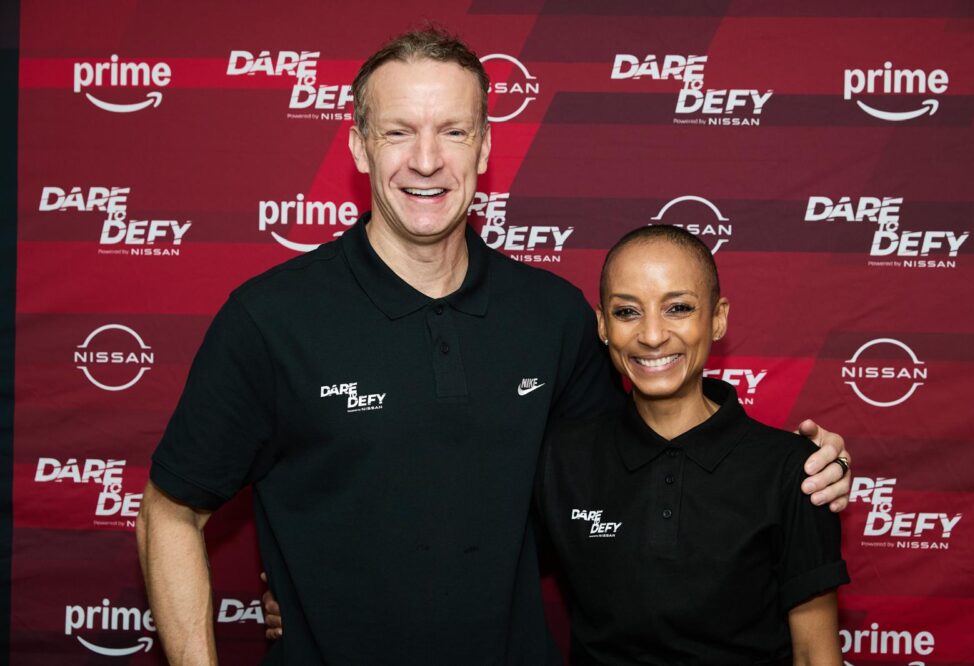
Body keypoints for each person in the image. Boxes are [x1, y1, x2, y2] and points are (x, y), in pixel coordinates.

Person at [137, 28, 852, 665]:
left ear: (483, 145)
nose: (426, 161)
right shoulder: (270, 318)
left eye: (452, 131)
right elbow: (170, 511)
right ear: (358, 145)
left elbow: (642, 461)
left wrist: (801, 472)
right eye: (398, 133)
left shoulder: (551, 316)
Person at [535, 225, 848, 663]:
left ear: (718, 318)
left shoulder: (794, 471)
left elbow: (815, 654)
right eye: (627, 312)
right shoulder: (560, 458)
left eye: (678, 308)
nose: (652, 335)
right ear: (603, 325)